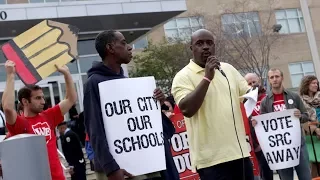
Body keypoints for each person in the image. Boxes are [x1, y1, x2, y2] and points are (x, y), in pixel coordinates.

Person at [83, 30, 177, 180]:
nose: (129, 47)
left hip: (143, 164)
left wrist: (156, 104)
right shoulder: (93, 83)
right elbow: (95, 130)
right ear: (110, 48)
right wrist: (111, 168)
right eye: (123, 42)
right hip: (119, 169)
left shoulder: (127, 82)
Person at [171, 29, 254, 180]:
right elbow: (187, 109)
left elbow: (248, 95)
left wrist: (255, 92)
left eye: (209, 43)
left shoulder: (228, 69)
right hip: (211, 161)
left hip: (239, 153)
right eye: (199, 43)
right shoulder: (182, 77)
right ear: (192, 48)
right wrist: (207, 78)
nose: (205, 47)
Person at [2, 60, 77, 180]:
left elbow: (70, 99)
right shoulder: (20, 124)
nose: (43, 101)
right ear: (25, 101)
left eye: (42, 97)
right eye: (38, 98)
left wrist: (67, 74)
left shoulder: (48, 116)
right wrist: (10, 76)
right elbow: (7, 108)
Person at [252, 68, 312, 180]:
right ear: (269, 80)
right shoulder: (265, 102)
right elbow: (263, 125)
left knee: (305, 176)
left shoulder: (294, 96)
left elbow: (306, 116)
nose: (274, 79)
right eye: (272, 77)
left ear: (282, 78)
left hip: (298, 144)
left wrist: (300, 116)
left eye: (277, 76)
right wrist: (256, 123)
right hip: (279, 149)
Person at [244, 73, 272, 180]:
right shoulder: (245, 102)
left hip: (273, 142)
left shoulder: (269, 97)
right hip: (259, 145)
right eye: (249, 83)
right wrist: (255, 144)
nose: (252, 85)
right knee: (266, 174)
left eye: (254, 82)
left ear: (259, 81)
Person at [299, 75, 320, 177]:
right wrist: (315, 129)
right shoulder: (300, 100)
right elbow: (301, 120)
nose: (316, 85)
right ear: (306, 85)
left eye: (317, 83)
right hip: (310, 137)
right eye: (313, 83)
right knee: (314, 166)